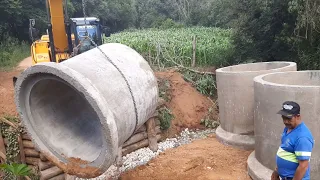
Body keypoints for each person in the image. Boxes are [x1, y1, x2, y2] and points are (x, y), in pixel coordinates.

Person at [271, 101, 314, 180]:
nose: (285, 121)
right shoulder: (288, 128)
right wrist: (277, 171)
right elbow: (284, 150)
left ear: (298, 116)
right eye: (284, 118)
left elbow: (303, 166)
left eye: (289, 118)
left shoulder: (302, 137)